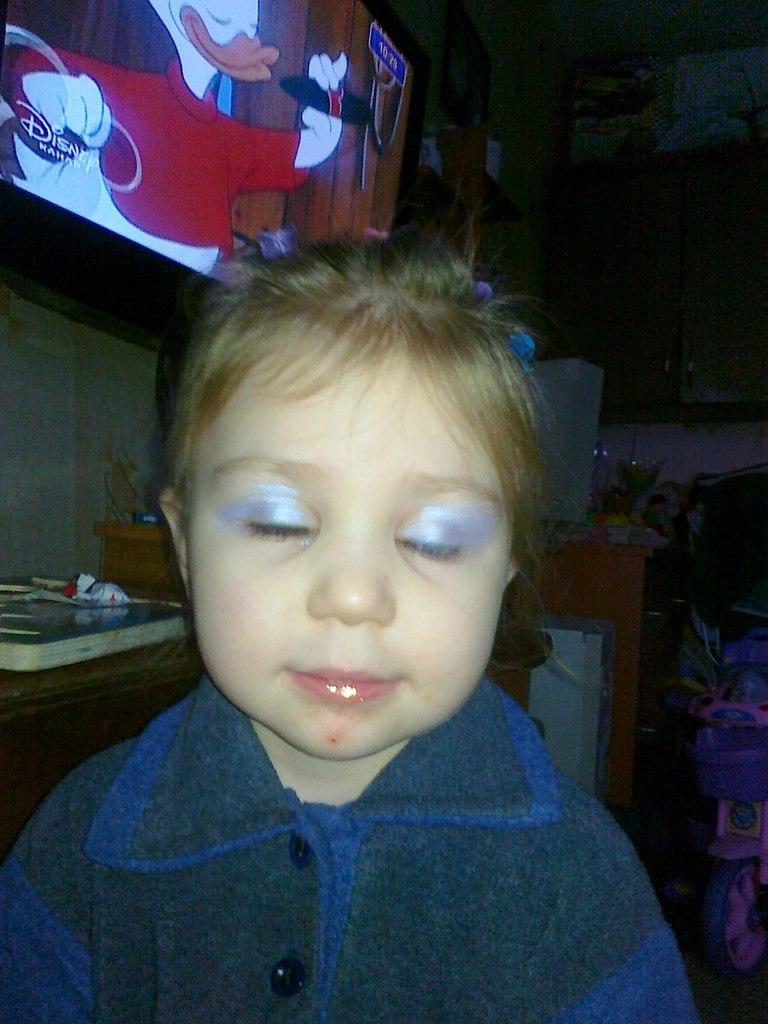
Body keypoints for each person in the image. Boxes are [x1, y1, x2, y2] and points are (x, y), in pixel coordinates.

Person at [0, 232, 700, 1022]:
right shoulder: (78, 849)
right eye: (278, 522)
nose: (355, 597)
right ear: (186, 545)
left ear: (507, 571)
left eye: (433, 538)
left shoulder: (581, 885)